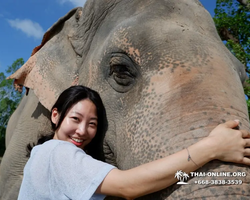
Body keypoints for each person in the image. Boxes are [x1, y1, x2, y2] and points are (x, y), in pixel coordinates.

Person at [18, 85, 250, 200]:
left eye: (92, 124)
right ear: (55, 115)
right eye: (75, 119)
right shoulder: (60, 152)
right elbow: (128, 186)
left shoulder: (40, 154)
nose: (82, 131)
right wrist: (211, 148)